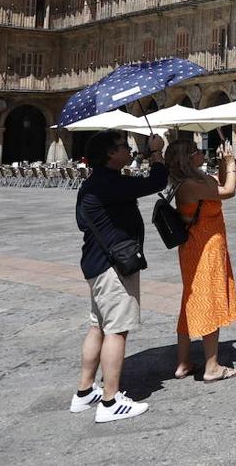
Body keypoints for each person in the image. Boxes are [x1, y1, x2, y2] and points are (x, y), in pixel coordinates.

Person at [71, 130, 166, 423]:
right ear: (111, 154)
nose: (128, 149)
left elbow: (80, 222)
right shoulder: (110, 182)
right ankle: (110, 401)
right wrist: (156, 152)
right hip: (113, 267)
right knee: (117, 330)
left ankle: (85, 391)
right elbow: (157, 181)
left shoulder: (91, 184)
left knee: (97, 326)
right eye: (124, 146)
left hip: (94, 263)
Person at [166, 138, 236, 383]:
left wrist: (221, 164)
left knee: (192, 297)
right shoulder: (190, 184)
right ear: (186, 158)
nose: (201, 153)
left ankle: (184, 362)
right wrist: (231, 163)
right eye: (196, 150)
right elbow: (227, 191)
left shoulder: (192, 180)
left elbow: (215, 186)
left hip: (196, 245)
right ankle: (212, 366)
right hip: (204, 246)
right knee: (208, 298)